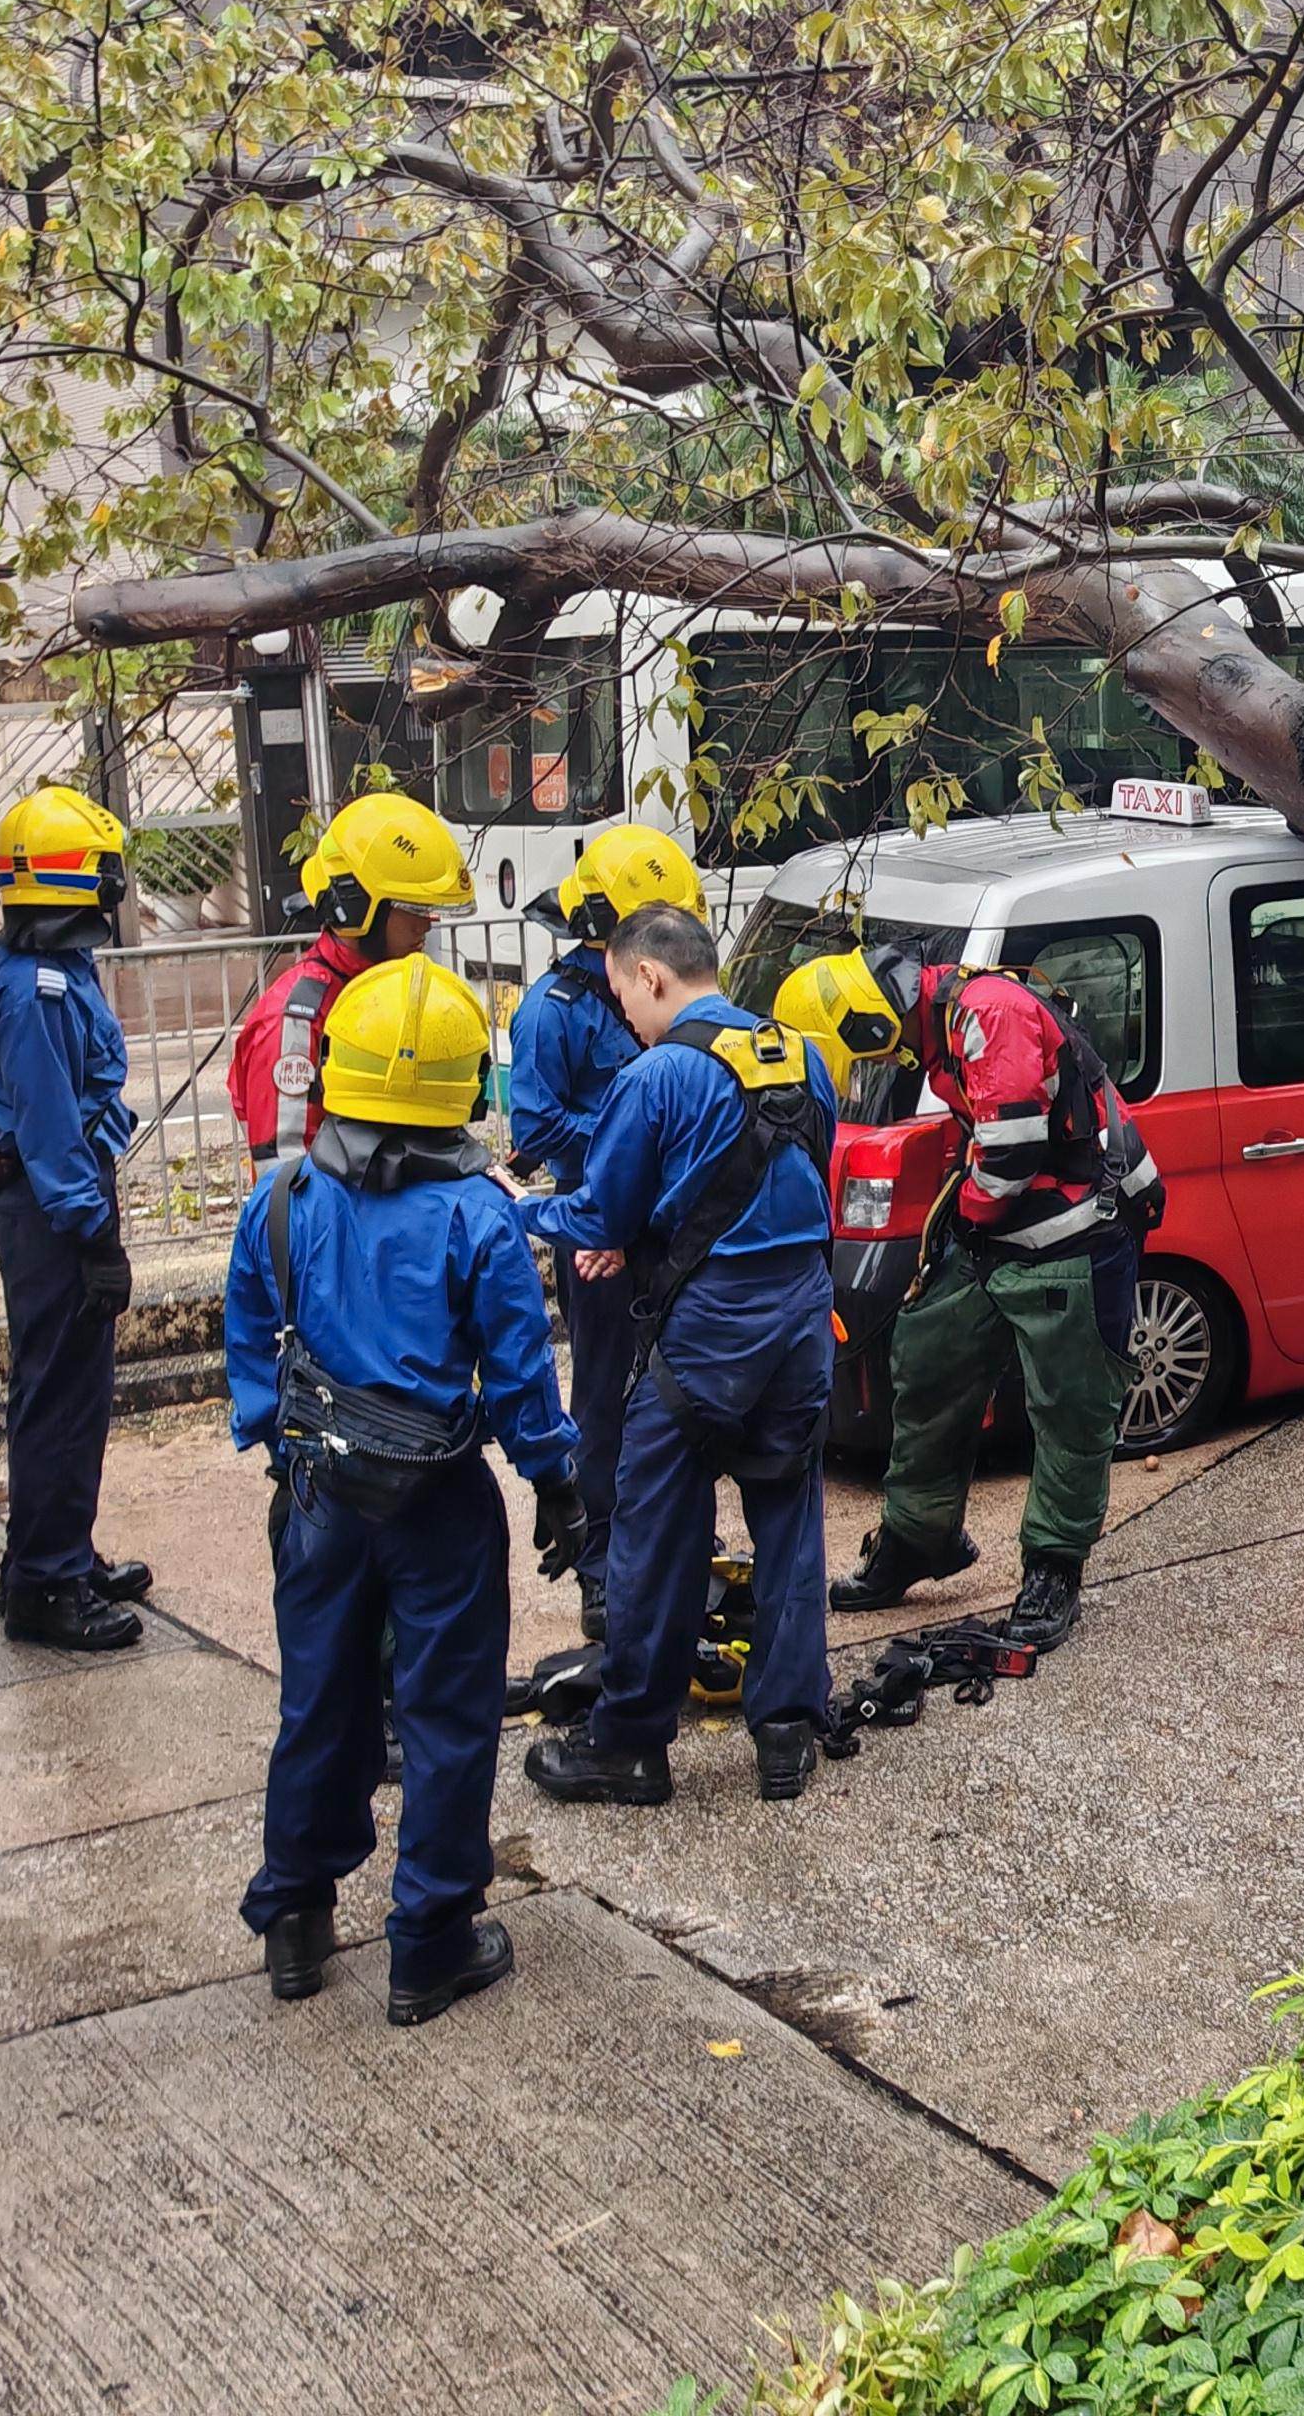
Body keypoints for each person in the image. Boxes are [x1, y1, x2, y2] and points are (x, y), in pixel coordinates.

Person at [225, 955, 581, 2024]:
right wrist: (555, 1483)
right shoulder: (480, 1217)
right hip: (437, 1502)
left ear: (339, 1072)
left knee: (319, 1700)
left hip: (321, 1497)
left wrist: (280, 1445)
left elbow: (249, 1333)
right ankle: (427, 1943)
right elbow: (521, 1372)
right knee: (446, 1716)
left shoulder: (280, 1199)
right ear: (471, 1088)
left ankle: (295, 1915)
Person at [518, 904, 837, 1808]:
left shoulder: (657, 1075)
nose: (623, 1015)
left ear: (650, 976)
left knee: (657, 1532)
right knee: (787, 1518)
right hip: (803, 1324)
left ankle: (628, 1746)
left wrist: (514, 1209)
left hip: (705, 1341)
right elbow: (807, 1182)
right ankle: (784, 1734)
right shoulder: (798, 1051)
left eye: (622, 995)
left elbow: (596, 1215)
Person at [827, 952, 1144, 1652]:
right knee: (927, 1355)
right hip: (1002, 1229)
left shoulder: (986, 1012)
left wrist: (965, 1216)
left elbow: (1011, 1149)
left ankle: (1054, 1569)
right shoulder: (942, 1022)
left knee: (1071, 1406)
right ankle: (918, 1536)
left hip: (1077, 1229)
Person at [0, 787, 152, 1653]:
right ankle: (44, 1584)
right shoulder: (34, 987)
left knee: (68, 1389)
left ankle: (58, 1550)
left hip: (50, 1194)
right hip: (51, 1207)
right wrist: (94, 1236)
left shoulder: (39, 963)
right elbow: (47, 1127)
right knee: (62, 1394)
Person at [504, 826, 704, 1633]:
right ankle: (598, 1565)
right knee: (603, 1398)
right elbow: (536, 1123)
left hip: (665, 1225)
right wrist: (629, 1135)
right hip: (594, 1226)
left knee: (675, 1390)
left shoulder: (658, 993)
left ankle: (663, 1545)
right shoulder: (552, 1013)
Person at [227, 790, 474, 1173]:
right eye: (412, 909)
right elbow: (286, 1180)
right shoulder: (296, 1020)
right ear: (358, 905)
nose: (426, 924)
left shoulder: (396, 996)